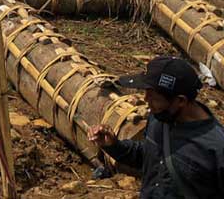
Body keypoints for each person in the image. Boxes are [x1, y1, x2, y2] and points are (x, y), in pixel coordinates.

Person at [88, 56, 224, 199]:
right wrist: (114, 145)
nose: (146, 100)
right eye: (146, 92)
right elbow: (149, 156)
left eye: (154, 96)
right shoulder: (159, 117)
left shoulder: (217, 148)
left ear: (180, 101)